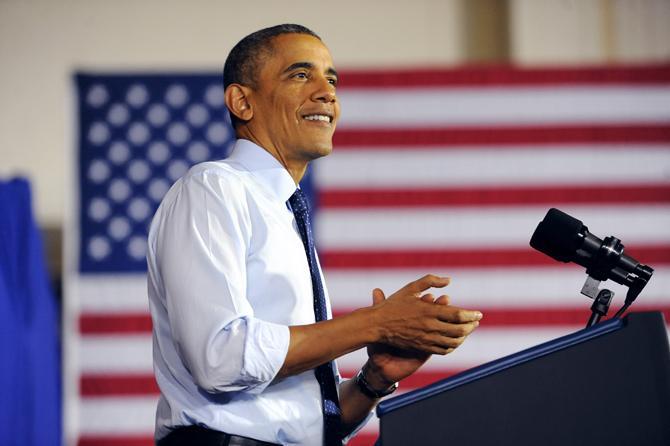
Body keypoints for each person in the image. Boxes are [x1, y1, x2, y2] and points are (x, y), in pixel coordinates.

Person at [147, 24, 483, 446]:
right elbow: (221, 358)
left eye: (332, 79)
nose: (327, 92)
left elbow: (301, 419)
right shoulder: (214, 188)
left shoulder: (286, 214)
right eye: (301, 75)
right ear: (242, 101)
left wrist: (372, 381)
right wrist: (374, 324)